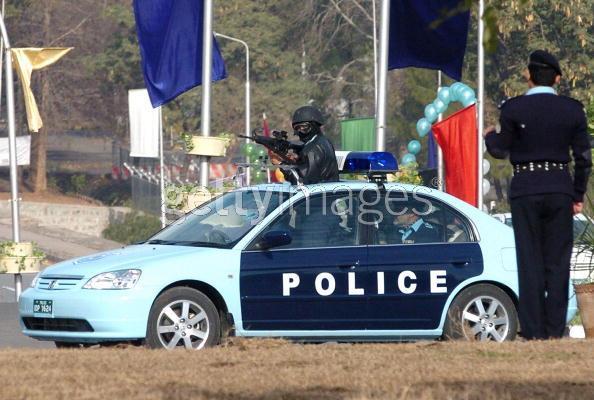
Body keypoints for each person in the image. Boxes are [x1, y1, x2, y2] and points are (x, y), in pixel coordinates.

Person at [485, 50, 592, 340]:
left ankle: (533, 331)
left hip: (525, 188)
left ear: (528, 76)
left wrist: (488, 135)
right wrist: (577, 193)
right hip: (559, 188)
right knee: (558, 263)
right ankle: (554, 331)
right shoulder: (573, 109)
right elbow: (583, 157)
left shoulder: (513, 109)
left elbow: (499, 149)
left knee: (529, 261)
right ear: (557, 78)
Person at [271, 105, 339, 185]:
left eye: (304, 127)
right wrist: (297, 158)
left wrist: (281, 163)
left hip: (318, 196)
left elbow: (302, 182)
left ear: (314, 125)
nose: (300, 131)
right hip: (325, 193)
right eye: (297, 128)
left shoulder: (313, 149)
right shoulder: (323, 141)